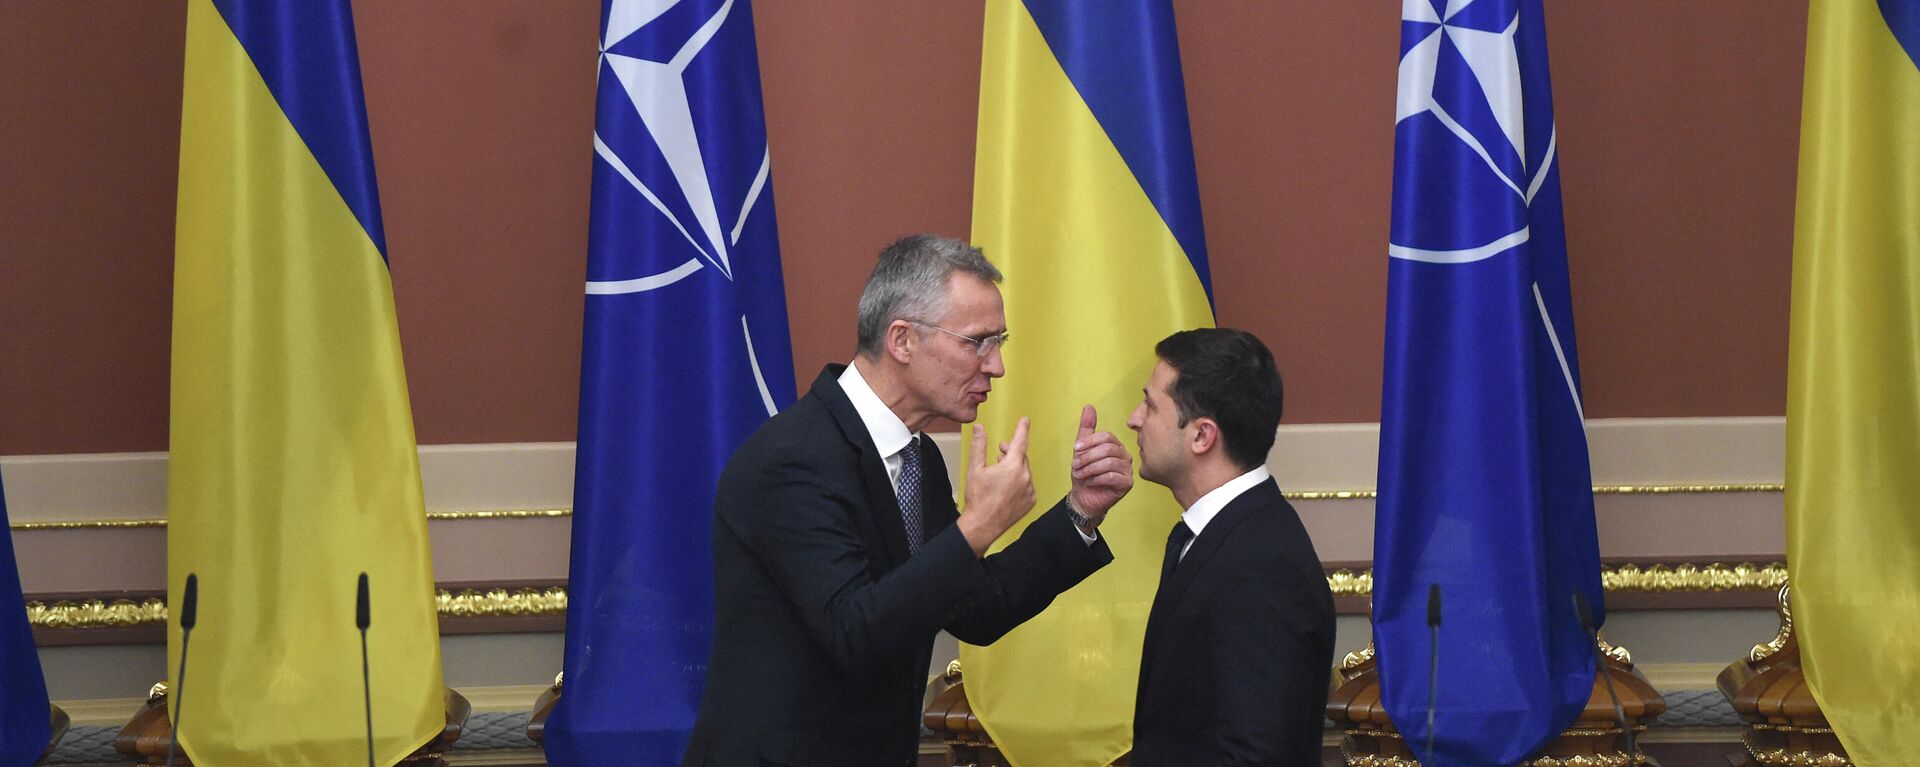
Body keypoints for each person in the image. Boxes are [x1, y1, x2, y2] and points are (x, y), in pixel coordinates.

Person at [683, 233, 1136, 766]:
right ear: (902, 340)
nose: (996, 366)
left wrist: (1081, 510)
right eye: (977, 342)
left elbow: (974, 609)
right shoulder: (793, 460)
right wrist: (978, 527)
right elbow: (854, 633)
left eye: (1000, 342)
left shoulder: (915, 456)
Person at [1126, 328, 1335, 766]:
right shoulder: (1217, 534)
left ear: (1202, 436)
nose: (1134, 418)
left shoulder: (1263, 565)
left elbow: (1257, 755)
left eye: (1150, 404)